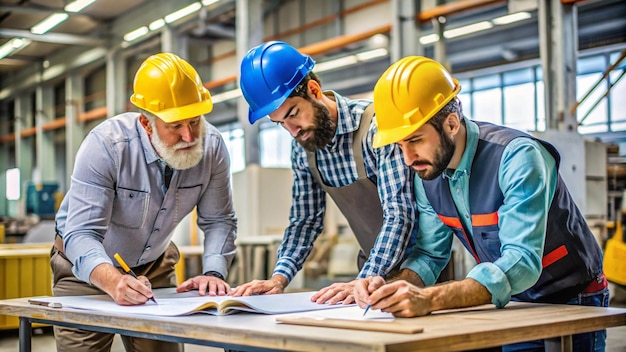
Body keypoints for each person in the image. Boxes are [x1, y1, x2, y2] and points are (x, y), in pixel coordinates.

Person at [354, 56, 608, 351]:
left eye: (415, 140)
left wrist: (431, 299)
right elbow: (429, 256)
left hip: (572, 296)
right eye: (400, 146)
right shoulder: (428, 174)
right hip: (512, 301)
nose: (408, 159)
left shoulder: (517, 157)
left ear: (451, 123)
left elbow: (523, 261)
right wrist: (390, 286)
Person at [52, 52, 237, 352]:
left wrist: (214, 273)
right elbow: (81, 234)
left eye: (194, 121)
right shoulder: (106, 146)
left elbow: (219, 220)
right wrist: (112, 281)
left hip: (155, 265)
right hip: (84, 269)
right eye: (175, 126)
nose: (189, 135)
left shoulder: (213, 148)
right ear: (146, 123)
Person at [231, 41, 418, 304]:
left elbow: (400, 214)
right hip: (372, 271)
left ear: (314, 89)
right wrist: (278, 279)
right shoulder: (304, 149)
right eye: (280, 123)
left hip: (420, 270)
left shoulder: (375, 129)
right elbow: (305, 221)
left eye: (293, 114)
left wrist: (363, 280)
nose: (292, 130)